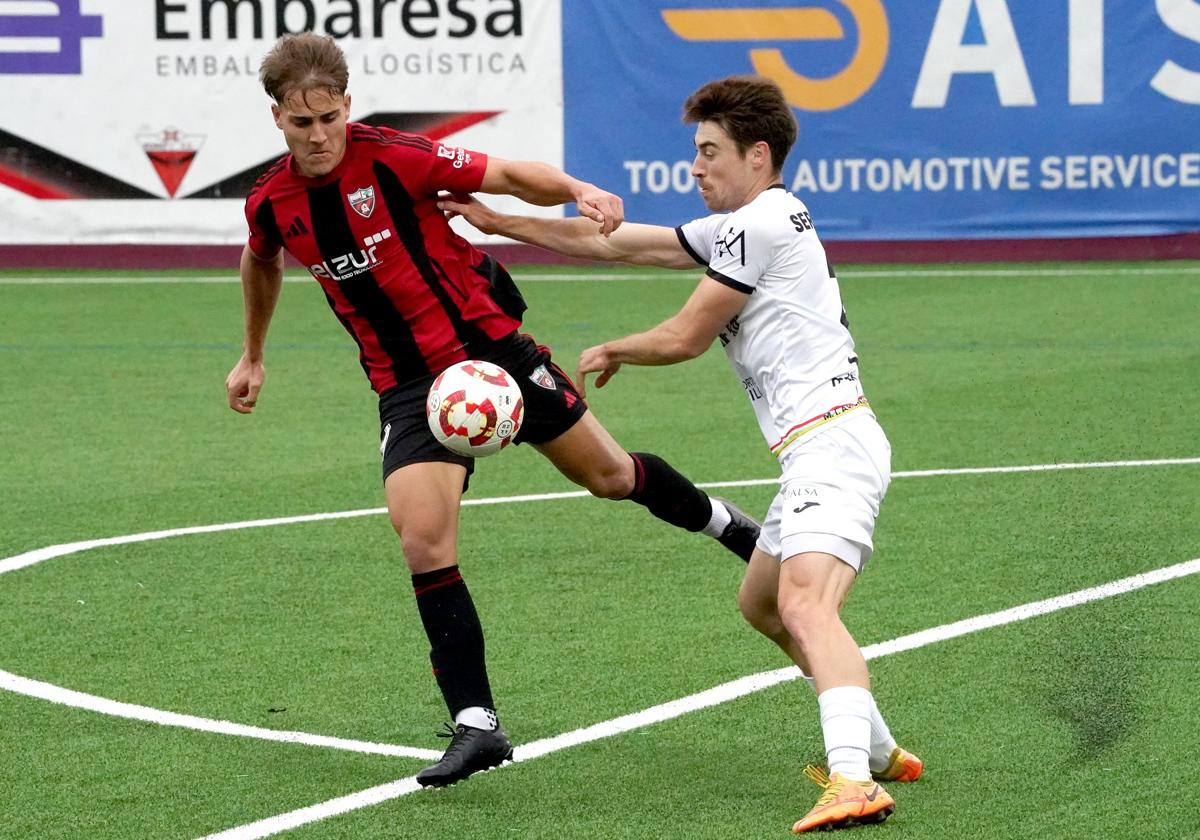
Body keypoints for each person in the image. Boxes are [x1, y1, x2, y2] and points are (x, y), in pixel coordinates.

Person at [223, 34, 760, 789]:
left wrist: (577, 186)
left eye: (329, 118)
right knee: (422, 541)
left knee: (610, 477)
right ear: (277, 117)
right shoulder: (271, 201)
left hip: (492, 352)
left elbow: (508, 174)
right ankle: (477, 723)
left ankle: (729, 526)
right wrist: (252, 353)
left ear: (347, 105)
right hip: (408, 387)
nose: (317, 136)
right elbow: (261, 256)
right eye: (300, 123)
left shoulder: (392, 157)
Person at [440, 75, 921, 832]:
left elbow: (686, 335)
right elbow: (621, 242)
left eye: (709, 152)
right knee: (762, 603)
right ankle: (880, 750)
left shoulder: (763, 221)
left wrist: (615, 348)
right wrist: (498, 221)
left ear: (758, 156)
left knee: (804, 604)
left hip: (834, 444)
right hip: (814, 449)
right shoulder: (747, 223)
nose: (695, 168)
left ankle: (855, 780)